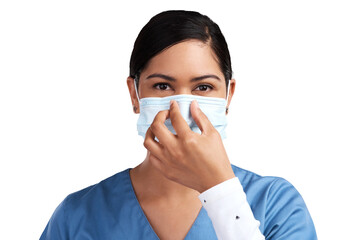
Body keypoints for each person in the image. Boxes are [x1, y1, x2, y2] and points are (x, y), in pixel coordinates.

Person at [40, 10, 317, 240]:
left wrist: (218, 189)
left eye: (203, 87)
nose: (180, 109)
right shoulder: (78, 215)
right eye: (162, 86)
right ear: (134, 95)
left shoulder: (276, 205)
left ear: (228, 95)